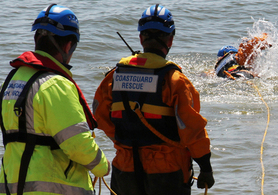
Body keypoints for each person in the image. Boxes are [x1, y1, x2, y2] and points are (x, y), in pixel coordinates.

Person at [93, 4, 214, 195]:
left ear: (141, 38)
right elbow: (192, 129)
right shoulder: (174, 80)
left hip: (125, 168)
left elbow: (99, 117)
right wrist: (205, 167)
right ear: (170, 39)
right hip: (167, 172)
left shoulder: (113, 77)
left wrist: (125, 143)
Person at [0, 4, 110, 195]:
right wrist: (103, 166)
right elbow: (77, 144)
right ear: (68, 45)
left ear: (37, 39)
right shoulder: (54, 84)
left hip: (11, 186)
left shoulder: (12, 80)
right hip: (51, 188)